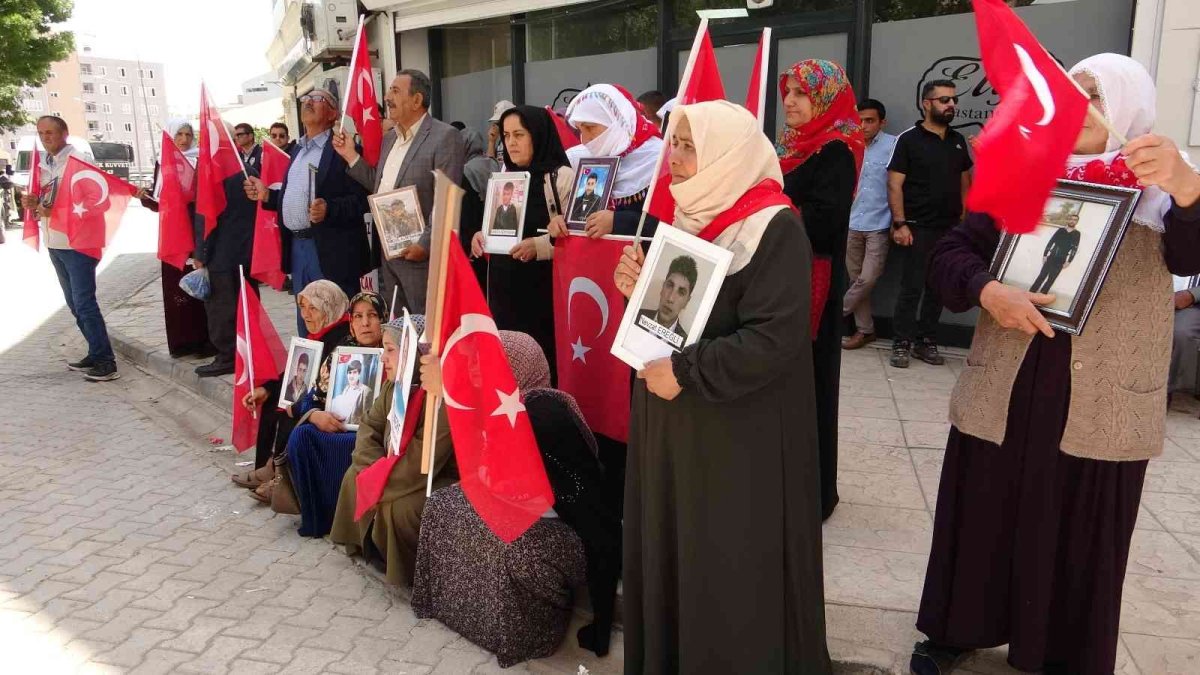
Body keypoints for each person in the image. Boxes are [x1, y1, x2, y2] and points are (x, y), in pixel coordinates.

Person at [910, 53, 1200, 675]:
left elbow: (1190, 253)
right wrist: (988, 290)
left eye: (1092, 94)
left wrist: (1188, 187)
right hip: (1011, 381)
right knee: (986, 506)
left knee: (1078, 525)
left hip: (1100, 395)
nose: (1077, 107)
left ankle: (1058, 652)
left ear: (1126, 105)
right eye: (1067, 94)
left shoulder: (1163, 191)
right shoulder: (1023, 176)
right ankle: (960, 628)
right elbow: (950, 256)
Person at [614, 100, 830, 673]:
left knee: (726, 566)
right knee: (677, 555)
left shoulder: (775, 226)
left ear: (725, 153)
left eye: (688, 145)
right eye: (673, 144)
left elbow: (775, 340)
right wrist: (632, 287)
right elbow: (672, 316)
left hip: (736, 443)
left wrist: (685, 372)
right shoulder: (686, 215)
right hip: (677, 428)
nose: (674, 158)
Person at [411, 332, 621, 664]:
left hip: (568, 535)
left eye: (487, 361)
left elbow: (514, 440)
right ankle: (460, 611)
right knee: (442, 505)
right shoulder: (504, 407)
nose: (476, 368)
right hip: (524, 512)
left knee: (516, 547)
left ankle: (530, 635)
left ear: (515, 367)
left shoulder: (545, 411)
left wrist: (451, 388)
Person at [777, 59, 864, 522]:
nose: (789, 101)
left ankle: (811, 493)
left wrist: (770, 213)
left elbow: (826, 226)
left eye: (802, 93)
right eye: (787, 92)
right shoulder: (790, 146)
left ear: (826, 99)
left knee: (808, 384)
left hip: (813, 282)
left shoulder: (836, 149)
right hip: (783, 276)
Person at [329, 324, 459, 587]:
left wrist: (382, 477)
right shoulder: (394, 387)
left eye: (390, 350)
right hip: (390, 464)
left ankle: (403, 571)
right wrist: (374, 467)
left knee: (399, 506)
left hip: (435, 476)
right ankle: (363, 543)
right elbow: (369, 426)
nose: (382, 357)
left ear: (414, 353)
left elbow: (425, 457)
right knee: (356, 474)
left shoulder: (439, 401)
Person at [332, 69, 465, 314]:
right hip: (389, 252)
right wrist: (350, 155)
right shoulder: (391, 139)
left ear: (417, 100)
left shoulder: (445, 137)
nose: (387, 97)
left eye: (395, 91)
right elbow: (380, 185)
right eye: (389, 90)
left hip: (421, 258)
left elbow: (446, 200)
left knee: (425, 330)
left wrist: (424, 245)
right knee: (398, 328)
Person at [243, 88, 370, 336]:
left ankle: (336, 371)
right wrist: (268, 195)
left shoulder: (343, 150)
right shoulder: (297, 151)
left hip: (330, 249)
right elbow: (296, 198)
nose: (309, 103)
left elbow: (363, 199)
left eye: (318, 100)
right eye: (306, 99)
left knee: (334, 318)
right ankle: (311, 369)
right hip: (298, 248)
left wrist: (330, 209)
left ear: (333, 113)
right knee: (307, 317)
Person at [287, 312, 414, 537]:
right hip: (337, 426)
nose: (365, 323)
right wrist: (316, 415)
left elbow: (381, 421)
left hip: (375, 438)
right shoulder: (339, 354)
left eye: (373, 316)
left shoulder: (396, 363)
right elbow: (311, 398)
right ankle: (316, 520)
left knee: (358, 452)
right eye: (357, 317)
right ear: (351, 325)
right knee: (302, 435)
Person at [470, 105, 574, 379]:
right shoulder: (506, 178)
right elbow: (493, 227)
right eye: (506, 135)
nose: (511, 143)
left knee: (543, 360)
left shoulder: (560, 177)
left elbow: (576, 237)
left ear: (537, 135)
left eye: (519, 134)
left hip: (543, 290)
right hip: (505, 291)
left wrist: (538, 247)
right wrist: (480, 237)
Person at [232, 281, 352, 492]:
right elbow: (294, 372)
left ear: (329, 307)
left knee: (293, 406)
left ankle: (280, 478)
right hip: (312, 396)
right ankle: (269, 467)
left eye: (313, 308)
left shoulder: (342, 339)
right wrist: (266, 389)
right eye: (302, 307)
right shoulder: (319, 333)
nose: (306, 314)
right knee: (274, 398)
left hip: (330, 404)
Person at [24, 116, 120, 382]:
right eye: (41, 133)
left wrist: (56, 210)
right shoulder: (46, 163)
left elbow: (100, 201)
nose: (46, 137)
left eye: (51, 132)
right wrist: (35, 201)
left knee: (85, 303)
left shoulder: (79, 160)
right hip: (55, 242)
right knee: (74, 303)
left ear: (64, 133)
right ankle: (95, 351)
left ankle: (107, 362)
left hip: (78, 243)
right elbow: (50, 198)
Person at [887, 78, 973, 369]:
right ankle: (901, 342)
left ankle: (926, 342)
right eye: (944, 100)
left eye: (954, 100)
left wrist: (963, 221)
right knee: (911, 287)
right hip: (916, 226)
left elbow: (965, 182)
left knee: (938, 287)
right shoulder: (909, 140)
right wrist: (900, 224)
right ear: (927, 104)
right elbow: (894, 185)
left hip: (949, 229)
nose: (951, 105)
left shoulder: (958, 140)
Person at [136, 118, 212, 361]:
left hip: (194, 229)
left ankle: (204, 341)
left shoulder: (200, 160)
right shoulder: (164, 162)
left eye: (188, 134)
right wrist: (145, 197)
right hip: (173, 233)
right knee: (175, 287)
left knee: (197, 285)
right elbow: (160, 202)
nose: (184, 139)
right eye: (178, 134)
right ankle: (182, 342)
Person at [196, 121, 261, 378]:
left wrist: (200, 253)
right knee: (246, 304)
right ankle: (250, 351)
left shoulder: (214, 172)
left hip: (221, 254)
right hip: (245, 251)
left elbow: (205, 216)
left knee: (222, 309)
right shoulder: (247, 168)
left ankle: (227, 356)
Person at [559, 83, 663, 239]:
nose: (585, 139)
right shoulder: (592, 161)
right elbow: (583, 218)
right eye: (580, 129)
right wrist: (564, 224)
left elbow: (671, 225)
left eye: (590, 127)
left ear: (617, 121)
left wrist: (617, 221)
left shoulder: (660, 159)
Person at [843, 98, 898, 350]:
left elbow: (899, 185)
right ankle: (865, 330)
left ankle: (832, 316)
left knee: (867, 278)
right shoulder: (847, 144)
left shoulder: (894, 146)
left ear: (881, 122)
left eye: (869, 121)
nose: (863, 126)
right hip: (851, 222)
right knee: (856, 279)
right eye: (859, 120)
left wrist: (899, 221)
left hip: (879, 223)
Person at [458, 127, 497, 290]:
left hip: (475, 233)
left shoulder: (465, 169)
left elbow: (466, 210)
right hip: (493, 224)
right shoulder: (492, 162)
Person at [638, 255, 695, 342]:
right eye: (669, 286)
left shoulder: (686, 345)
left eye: (681, 292)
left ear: (687, 302)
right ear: (662, 287)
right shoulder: (636, 316)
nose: (670, 298)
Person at [1029, 214, 1082, 294]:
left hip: (1061, 259)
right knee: (1042, 276)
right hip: (1051, 257)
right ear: (1068, 220)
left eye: (1075, 220)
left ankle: (1042, 295)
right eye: (1071, 219)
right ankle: (1031, 292)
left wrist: (1069, 261)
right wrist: (1045, 255)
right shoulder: (1060, 230)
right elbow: (1051, 242)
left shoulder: (1077, 234)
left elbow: (1075, 248)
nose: (1072, 221)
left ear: (1077, 222)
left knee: (1051, 279)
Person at [1171, 278, 1200, 395]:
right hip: (1148, 292)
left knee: (1179, 332)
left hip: (1193, 304)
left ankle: (1166, 391)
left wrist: (1192, 295)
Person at [328, 358, 370, 425]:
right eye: (349, 373)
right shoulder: (346, 388)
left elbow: (367, 416)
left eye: (354, 372)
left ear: (359, 374)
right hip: (342, 424)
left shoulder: (366, 390)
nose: (351, 376)